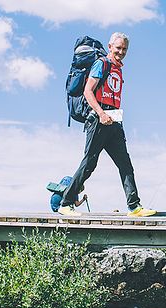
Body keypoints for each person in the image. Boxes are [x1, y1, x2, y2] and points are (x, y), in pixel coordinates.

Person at [59, 32, 156, 217]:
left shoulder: (118, 69)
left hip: (114, 122)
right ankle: (66, 202)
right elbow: (88, 91)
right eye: (118, 48)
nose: (121, 52)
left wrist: (111, 117)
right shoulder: (101, 64)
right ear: (110, 46)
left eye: (124, 49)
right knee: (89, 163)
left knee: (125, 164)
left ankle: (134, 207)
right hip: (98, 120)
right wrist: (101, 113)